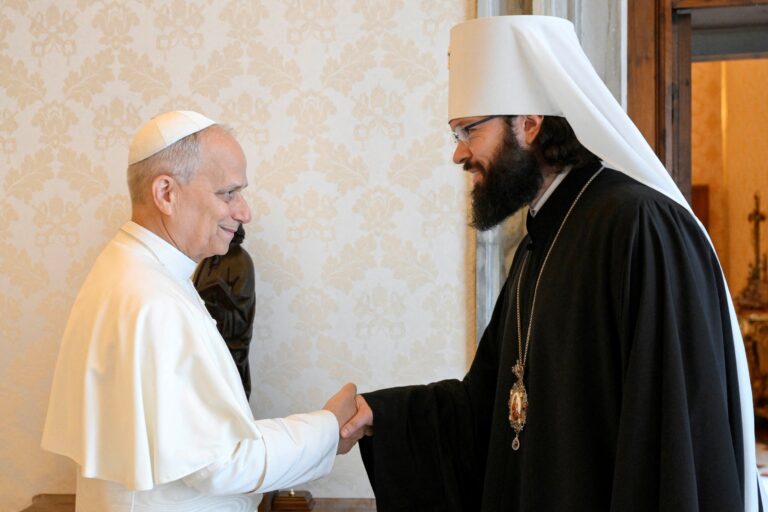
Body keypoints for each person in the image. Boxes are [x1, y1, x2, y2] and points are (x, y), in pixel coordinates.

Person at [339, 16, 766, 511]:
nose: (459, 153)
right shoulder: (541, 240)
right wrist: (382, 416)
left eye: (469, 130)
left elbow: (670, 436)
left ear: (529, 123)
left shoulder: (639, 226)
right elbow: (489, 410)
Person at [41, 110, 357, 512]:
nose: (244, 212)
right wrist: (330, 427)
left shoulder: (135, 270)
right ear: (166, 193)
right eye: (228, 193)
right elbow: (221, 462)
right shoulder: (152, 298)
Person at [193, 224, 256, 399]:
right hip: (207, 332)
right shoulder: (208, 259)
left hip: (230, 332)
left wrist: (220, 293)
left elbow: (242, 302)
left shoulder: (241, 260)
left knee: (232, 384)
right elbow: (196, 290)